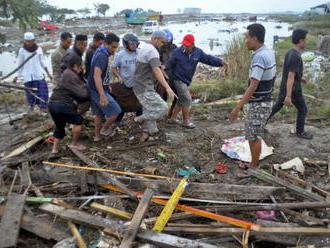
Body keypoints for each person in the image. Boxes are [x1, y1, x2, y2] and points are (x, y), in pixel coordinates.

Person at [229, 24, 276, 170]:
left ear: (254, 38)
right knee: (254, 134)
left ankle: (254, 167)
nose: (245, 41)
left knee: (253, 137)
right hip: (265, 101)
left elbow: (253, 85)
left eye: (247, 37)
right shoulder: (268, 52)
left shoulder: (260, 57)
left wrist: (238, 107)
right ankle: (253, 163)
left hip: (259, 104)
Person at [167, 34, 227, 128]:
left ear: (193, 44)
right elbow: (169, 65)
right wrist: (169, 77)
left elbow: (208, 59)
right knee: (187, 98)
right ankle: (186, 121)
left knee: (182, 99)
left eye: (187, 45)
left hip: (186, 80)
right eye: (184, 44)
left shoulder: (198, 52)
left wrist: (220, 62)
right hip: (177, 79)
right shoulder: (177, 52)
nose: (185, 46)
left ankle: (173, 119)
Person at [267, 29, 313, 140]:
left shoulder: (290, 52)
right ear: (301, 41)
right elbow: (291, 76)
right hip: (293, 90)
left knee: (277, 106)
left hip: (287, 87)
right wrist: (288, 96)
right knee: (303, 109)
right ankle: (300, 132)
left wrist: (300, 79)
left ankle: (260, 123)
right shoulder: (295, 56)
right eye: (305, 40)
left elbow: (291, 73)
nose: (306, 42)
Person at [133, 31, 176, 142]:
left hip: (140, 85)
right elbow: (156, 70)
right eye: (162, 42)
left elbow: (155, 67)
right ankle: (140, 118)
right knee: (163, 108)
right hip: (144, 87)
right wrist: (167, 87)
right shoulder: (152, 51)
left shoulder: (145, 48)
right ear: (156, 39)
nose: (163, 45)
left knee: (149, 108)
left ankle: (153, 132)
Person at [48, 55, 89, 154]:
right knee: (78, 121)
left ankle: (55, 149)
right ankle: (74, 144)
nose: (82, 68)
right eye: (80, 66)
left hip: (52, 104)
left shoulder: (66, 73)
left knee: (59, 126)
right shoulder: (71, 75)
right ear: (75, 66)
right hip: (62, 104)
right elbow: (83, 94)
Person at [88, 33, 122, 141]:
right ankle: (104, 129)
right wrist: (102, 94)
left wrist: (107, 85)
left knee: (98, 114)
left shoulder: (100, 50)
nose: (114, 50)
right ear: (105, 44)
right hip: (97, 90)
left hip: (93, 87)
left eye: (116, 47)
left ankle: (97, 137)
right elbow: (96, 75)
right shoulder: (102, 56)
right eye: (113, 47)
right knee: (116, 111)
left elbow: (103, 73)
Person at [16, 32, 52, 113]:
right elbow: (20, 64)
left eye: (31, 41)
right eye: (27, 41)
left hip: (38, 75)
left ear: (34, 41)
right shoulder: (22, 51)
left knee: (42, 93)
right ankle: (32, 110)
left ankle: (43, 109)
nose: (29, 43)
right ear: (24, 41)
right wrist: (17, 76)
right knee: (30, 95)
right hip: (28, 77)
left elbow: (42, 62)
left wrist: (48, 73)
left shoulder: (39, 49)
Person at [111, 33, 142, 124]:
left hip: (138, 83)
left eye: (136, 44)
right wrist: (119, 77)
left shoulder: (139, 52)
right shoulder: (120, 55)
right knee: (123, 103)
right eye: (132, 44)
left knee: (140, 103)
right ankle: (117, 121)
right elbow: (113, 68)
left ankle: (139, 119)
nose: (134, 46)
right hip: (125, 84)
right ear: (126, 44)